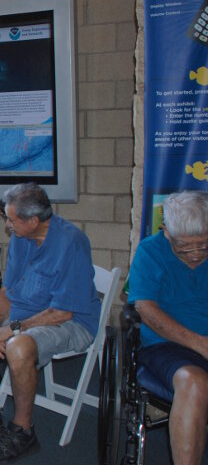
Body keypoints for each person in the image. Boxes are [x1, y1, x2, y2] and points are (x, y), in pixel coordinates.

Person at [0, 182, 100, 461]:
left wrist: (12, 329)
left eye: (12, 220)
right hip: (22, 314)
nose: (8, 226)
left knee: (17, 347)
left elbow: (63, 312)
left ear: (34, 220)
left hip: (69, 322)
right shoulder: (20, 238)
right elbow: (7, 291)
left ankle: (22, 431)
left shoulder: (71, 242)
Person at [128, 191, 208, 465]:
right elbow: (146, 310)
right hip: (166, 345)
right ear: (166, 232)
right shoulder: (150, 251)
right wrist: (200, 344)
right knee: (194, 383)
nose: (196, 254)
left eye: (204, 245)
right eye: (185, 247)